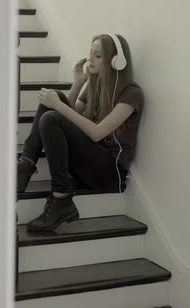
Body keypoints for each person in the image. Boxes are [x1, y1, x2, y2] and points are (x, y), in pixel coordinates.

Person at [17, 34, 144, 232]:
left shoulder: (131, 93)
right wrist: (78, 83)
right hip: (88, 162)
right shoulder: (95, 85)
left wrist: (57, 105)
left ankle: (61, 198)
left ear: (116, 61)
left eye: (98, 56)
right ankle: (25, 165)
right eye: (90, 53)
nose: (90, 59)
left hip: (109, 172)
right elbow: (72, 117)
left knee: (53, 112)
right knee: (55, 102)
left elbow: (96, 133)